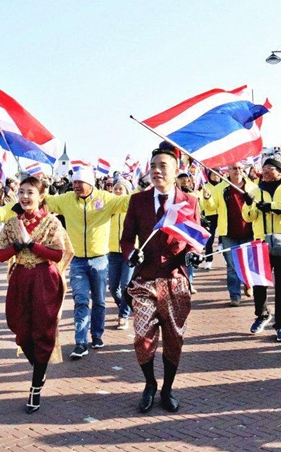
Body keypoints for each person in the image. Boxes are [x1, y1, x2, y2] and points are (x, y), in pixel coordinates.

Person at [120, 143, 201, 414]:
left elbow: (194, 240)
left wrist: (193, 256)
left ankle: (167, 389)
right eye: (153, 166)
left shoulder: (189, 202)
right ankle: (149, 384)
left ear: (176, 171)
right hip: (144, 280)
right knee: (142, 337)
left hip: (175, 281)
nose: (156, 171)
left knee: (174, 339)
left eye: (163, 166)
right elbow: (126, 240)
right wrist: (131, 254)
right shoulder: (138, 201)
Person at [0, 177, 73, 413]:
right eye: (21, 192)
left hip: (44, 279)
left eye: (30, 192)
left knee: (42, 329)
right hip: (20, 279)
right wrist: (16, 247)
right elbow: (0, 255)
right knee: (19, 328)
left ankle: (36, 385)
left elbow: (58, 254)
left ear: (41, 197)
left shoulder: (51, 222)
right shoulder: (12, 223)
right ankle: (40, 365)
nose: (25, 197)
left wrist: (33, 245)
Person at [40, 167, 130, 359]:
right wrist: (36, 190)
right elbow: (44, 201)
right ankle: (80, 342)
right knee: (80, 300)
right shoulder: (67, 199)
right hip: (77, 261)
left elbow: (127, 202)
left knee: (99, 301)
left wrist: (145, 189)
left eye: (80, 183)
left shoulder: (105, 199)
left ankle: (97, 335)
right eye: (74, 183)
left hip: (100, 260)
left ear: (90, 184)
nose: (76, 186)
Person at [243, 154, 281, 342]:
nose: (266, 172)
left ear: (280, 172)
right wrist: (248, 205)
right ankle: (262, 315)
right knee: (259, 284)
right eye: (264, 169)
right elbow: (248, 217)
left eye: (270, 169)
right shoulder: (255, 190)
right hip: (261, 242)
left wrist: (272, 206)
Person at [203, 162, 258, 306]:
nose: (237, 171)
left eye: (239, 168)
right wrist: (208, 199)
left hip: (249, 231)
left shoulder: (253, 187)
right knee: (232, 266)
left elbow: (257, 208)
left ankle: (248, 283)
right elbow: (212, 207)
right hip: (229, 233)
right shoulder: (221, 188)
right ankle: (235, 296)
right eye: (234, 168)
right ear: (228, 170)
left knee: (248, 263)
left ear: (244, 170)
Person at [107, 178, 135, 330]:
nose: (117, 191)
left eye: (121, 189)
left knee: (126, 285)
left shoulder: (132, 207)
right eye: (115, 188)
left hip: (129, 252)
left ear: (127, 191)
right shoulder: (109, 207)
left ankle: (123, 316)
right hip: (112, 252)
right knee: (113, 288)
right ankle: (125, 305)